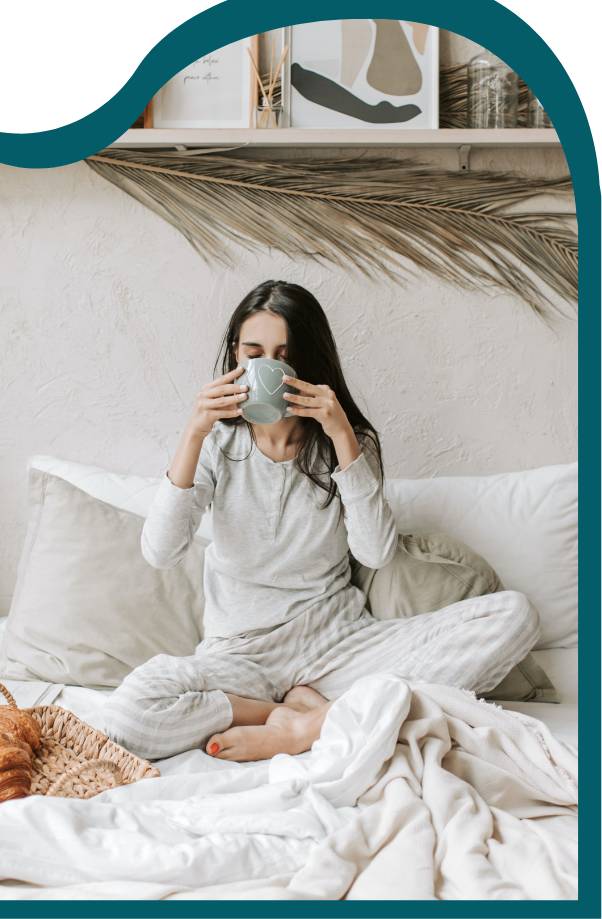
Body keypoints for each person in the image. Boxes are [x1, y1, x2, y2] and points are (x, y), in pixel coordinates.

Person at [102, 281, 539, 762]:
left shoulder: (347, 443)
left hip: (339, 643)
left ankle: (305, 728)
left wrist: (342, 437)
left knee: (515, 614)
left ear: (308, 362)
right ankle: (285, 713)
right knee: (128, 717)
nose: (268, 366)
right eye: (255, 352)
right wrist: (192, 433)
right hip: (240, 655)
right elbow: (160, 552)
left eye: (284, 355)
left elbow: (375, 553)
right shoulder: (215, 446)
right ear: (236, 357)